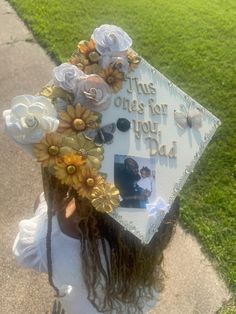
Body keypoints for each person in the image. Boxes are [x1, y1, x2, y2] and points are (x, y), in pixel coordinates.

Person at [13, 169, 179, 314]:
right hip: (135, 298)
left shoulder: (51, 241)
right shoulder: (152, 228)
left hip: (88, 308)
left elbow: (23, 251)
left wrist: (50, 203)